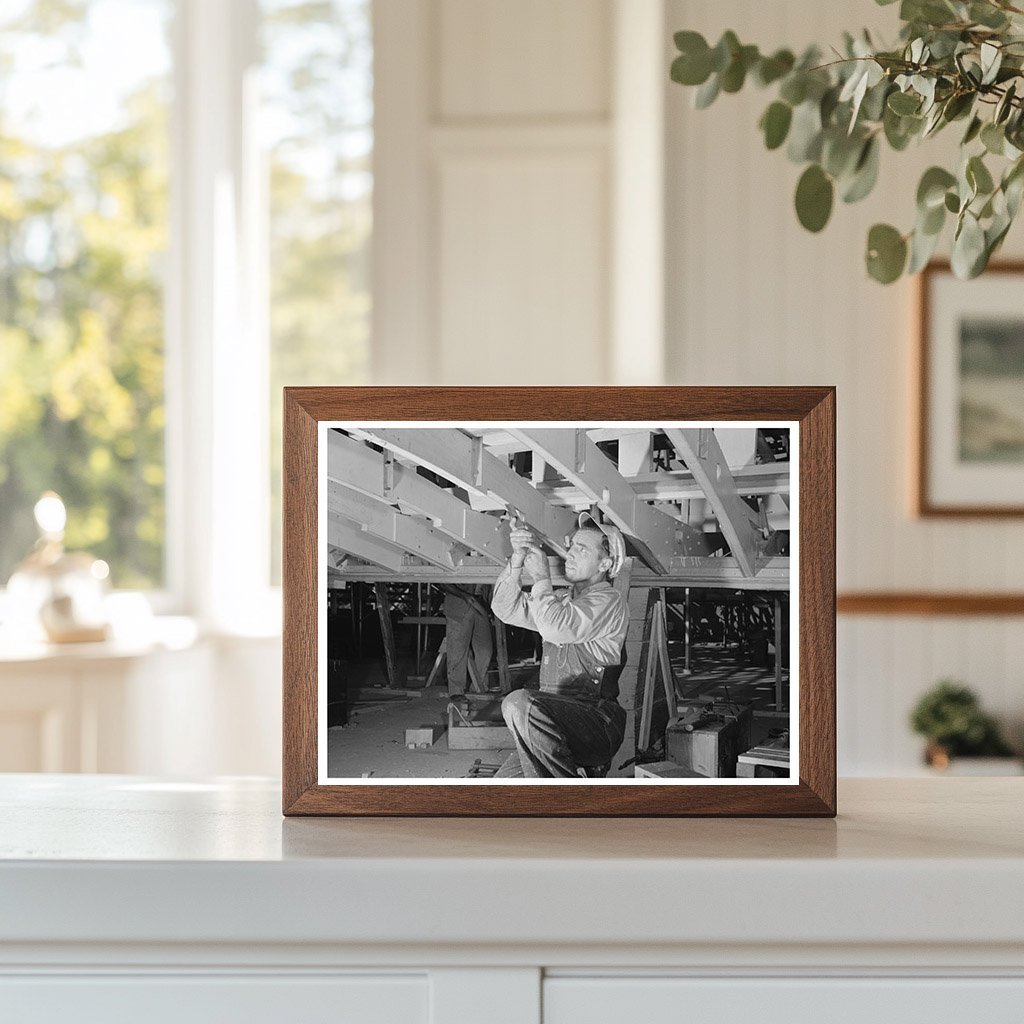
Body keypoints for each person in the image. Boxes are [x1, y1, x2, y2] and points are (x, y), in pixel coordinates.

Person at [490, 512, 629, 778]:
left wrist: (542, 579)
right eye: (572, 546)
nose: (571, 554)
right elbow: (505, 608)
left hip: (595, 723)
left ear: (605, 564)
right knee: (500, 790)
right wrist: (517, 560)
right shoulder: (561, 601)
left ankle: (564, 796)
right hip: (554, 722)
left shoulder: (609, 601)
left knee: (518, 703)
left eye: (582, 549)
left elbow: (556, 626)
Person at [442, 584, 493, 702]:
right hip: (458, 606)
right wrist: (464, 595)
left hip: (480, 605)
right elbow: (443, 583)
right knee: (457, 650)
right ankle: (456, 690)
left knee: (485, 650)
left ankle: (478, 686)